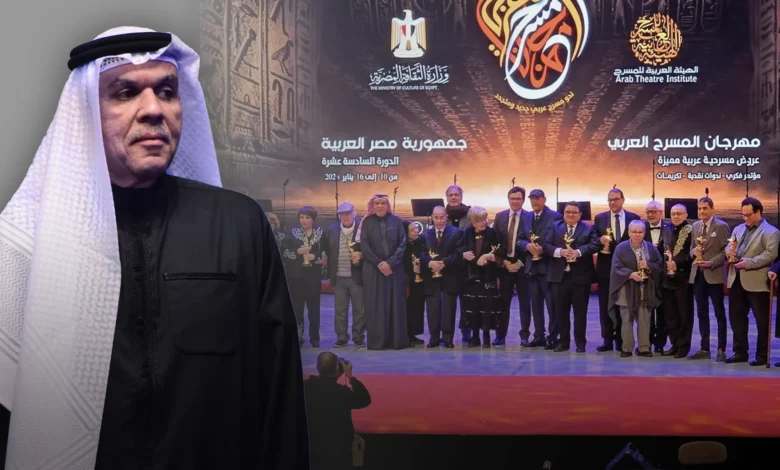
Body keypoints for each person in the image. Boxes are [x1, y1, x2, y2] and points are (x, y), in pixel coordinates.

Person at [0, 27, 308, 469]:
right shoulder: (30, 239)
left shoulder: (238, 225)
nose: (153, 109)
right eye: (125, 93)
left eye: (166, 91)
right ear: (86, 112)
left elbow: (279, 400)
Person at [724, 197, 779, 366]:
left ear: (758, 212)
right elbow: (729, 246)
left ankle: (762, 356)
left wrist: (748, 263)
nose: (745, 218)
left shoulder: (771, 232)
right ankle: (740, 352)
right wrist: (729, 252)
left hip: (757, 281)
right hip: (736, 279)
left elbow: (770, 254)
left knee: (762, 320)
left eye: (748, 215)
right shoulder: (738, 229)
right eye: (743, 215)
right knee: (737, 318)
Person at [543, 202, 600, 353]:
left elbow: (595, 245)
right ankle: (563, 342)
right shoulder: (555, 226)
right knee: (561, 312)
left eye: (574, 212)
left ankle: (580, 343)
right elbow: (546, 245)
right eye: (567, 212)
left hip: (581, 278)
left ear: (580, 215)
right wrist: (559, 252)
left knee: (580, 313)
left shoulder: (589, 228)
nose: (570, 215)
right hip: (559, 277)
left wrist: (578, 252)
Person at [305, 352, 372, 470]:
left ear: (317, 367)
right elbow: (365, 399)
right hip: (339, 447)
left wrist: (335, 375)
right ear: (337, 369)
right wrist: (350, 376)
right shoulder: (342, 393)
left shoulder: (306, 387)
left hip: (313, 443)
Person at [358, 194, 409, 350]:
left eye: (383, 203)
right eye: (377, 203)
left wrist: (390, 263)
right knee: (376, 306)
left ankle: (396, 341)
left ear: (388, 206)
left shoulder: (396, 221)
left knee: (395, 305)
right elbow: (365, 246)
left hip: (394, 270)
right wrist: (379, 263)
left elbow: (402, 244)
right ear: (372, 206)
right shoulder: (367, 222)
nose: (380, 206)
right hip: (373, 270)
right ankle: (377, 342)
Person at [594, 187, 641, 352]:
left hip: (627, 271)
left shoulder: (634, 218)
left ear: (623, 200)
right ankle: (607, 340)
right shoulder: (599, 218)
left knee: (625, 306)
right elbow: (593, 240)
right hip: (605, 270)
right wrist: (599, 240)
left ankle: (623, 341)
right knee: (605, 306)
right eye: (610, 200)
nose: (612, 202)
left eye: (615, 199)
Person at [608, 220, 663, 357]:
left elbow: (660, 265)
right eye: (634, 232)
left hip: (645, 289)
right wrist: (630, 274)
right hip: (626, 289)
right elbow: (616, 267)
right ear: (629, 233)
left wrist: (648, 265)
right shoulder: (621, 248)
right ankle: (626, 348)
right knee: (626, 320)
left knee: (644, 320)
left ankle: (644, 348)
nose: (637, 235)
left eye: (640, 232)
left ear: (644, 233)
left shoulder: (651, 248)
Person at [517, 189, 562, 349]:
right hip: (531, 267)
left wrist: (543, 249)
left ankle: (553, 337)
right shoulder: (526, 216)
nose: (534, 201)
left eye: (537, 198)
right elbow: (519, 239)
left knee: (552, 306)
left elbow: (559, 240)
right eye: (532, 199)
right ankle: (538, 336)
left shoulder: (555, 216)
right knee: (535, 305)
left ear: (544, 199)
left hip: (549, 268)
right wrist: (526, 246)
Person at [687, 197, 730, 361]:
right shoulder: (695, 226)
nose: (702, 211)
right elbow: (692, 248)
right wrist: (694, 253)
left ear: (712, 209)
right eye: (699, 208)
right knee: (701, 313)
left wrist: (711, 262)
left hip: (714, 275)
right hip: (698, 275)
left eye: (705, 208)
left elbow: (726, 251)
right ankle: (704, 348)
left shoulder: (721, 226)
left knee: (719, 313)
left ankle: (721, 349)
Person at [323, 202, 366, 348]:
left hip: (357, 276)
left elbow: (369, 249)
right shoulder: (332, 230)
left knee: (360, 310)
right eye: (342, 214)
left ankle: (358, 337)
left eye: (348, 213)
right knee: (340, 310)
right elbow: (327, 251)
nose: (345, 217)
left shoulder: (362, 228)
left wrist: (361, 255)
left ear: (354, 213)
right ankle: (341, 337)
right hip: (339, 276)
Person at [420, 206, 465, 348]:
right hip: (431, 278)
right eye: (436, 217)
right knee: (432, 309)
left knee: (449, 309)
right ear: (432, 218)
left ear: (446, 217)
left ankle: (447, 338)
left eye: (442, 217)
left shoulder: (457, 233)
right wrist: (430, 263)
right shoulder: (425, 235)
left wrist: (444, 263)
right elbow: (421, 253)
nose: (439, 220)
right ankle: (433, 338)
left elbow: (459, 253)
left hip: (450, 276)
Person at [492, 186, 531, 346]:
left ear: (523, 200)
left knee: (524, 303)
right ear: (508, 199)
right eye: (512, 198)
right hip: (505, 266)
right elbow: (494, 242)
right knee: (503, 303)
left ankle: (525, 336)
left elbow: (532, 242)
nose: (515, 201)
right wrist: (504, 261)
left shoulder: (530, 217)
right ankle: (500, 335)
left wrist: (519, 263)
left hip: (523, 266)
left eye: (518, 199)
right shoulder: (500, 216)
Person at [460, 207, 503, 348]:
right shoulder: (466, 233)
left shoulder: (492, 233)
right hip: (471, 276)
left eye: (485, 219)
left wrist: (488, 257)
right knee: (473, 308)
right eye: (480, 220)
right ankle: (475, 337)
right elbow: (460, 249)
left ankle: (486, 337)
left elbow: (500, 252)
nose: (484, 222)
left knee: (487, 309)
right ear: (472, 222)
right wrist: (464, 255)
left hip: (488, 276)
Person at [282, 206, 325, 347]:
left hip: (313, 277)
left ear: (313, 219)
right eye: (302, 217)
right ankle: (298, 337)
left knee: (314, 309)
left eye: (307, 217)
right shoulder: (291, 232)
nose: (304, 220)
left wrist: (315, 256)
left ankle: (315, 338)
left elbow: (326, 252)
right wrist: (297, 251)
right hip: (296, 277)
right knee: (297, 308)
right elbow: (284, 252)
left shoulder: (320, 232)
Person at [659, 204, 695, 359]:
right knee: (670, 315)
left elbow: (693, 253)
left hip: (683, 279)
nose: (675, 216)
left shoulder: (692, 230)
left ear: (686, 215)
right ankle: (674, 344)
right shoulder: (666, 229)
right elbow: (662, 250)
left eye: (679, 213)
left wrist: (677, 263)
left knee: (684, 314)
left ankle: (683, 347)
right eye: (673, 214)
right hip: (667, 278)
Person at [402, 220, 426, 346]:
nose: (416, 231)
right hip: (406, 281)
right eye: (412, 230)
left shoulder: (421, 242)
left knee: (417, 308)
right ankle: (406, 335)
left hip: (419, 281)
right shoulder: (402, 246)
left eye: (416, 228)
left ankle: (413, 334)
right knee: (408, 308)